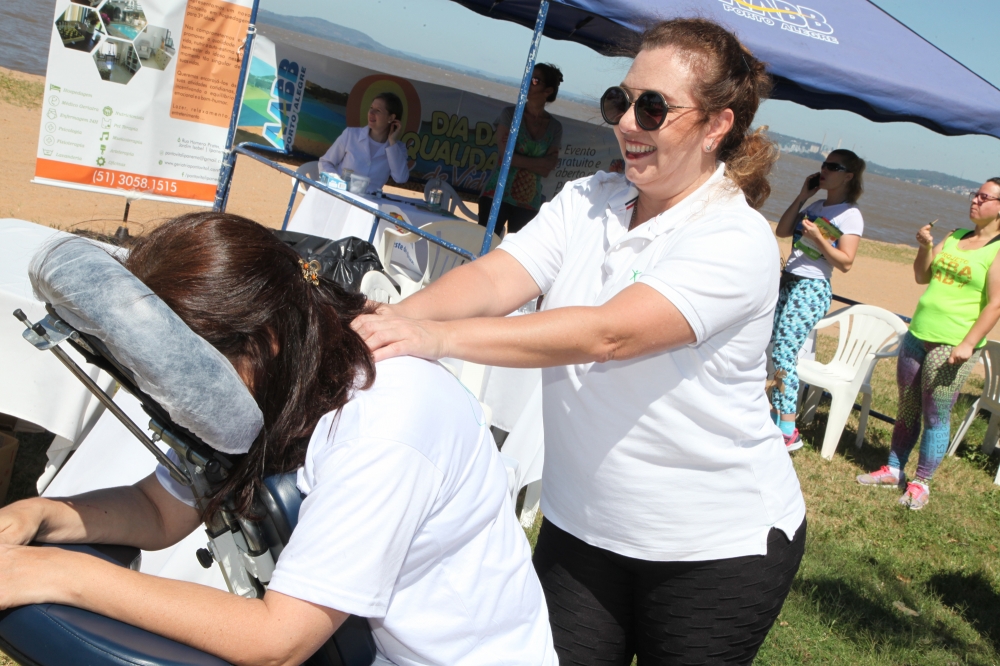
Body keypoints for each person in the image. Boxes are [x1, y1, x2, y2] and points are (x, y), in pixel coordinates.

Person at [353, 19, 806, 665]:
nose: (628, 123)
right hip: (582, 526)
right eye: (620, 101)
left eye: (654, 108)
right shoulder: (589, 199)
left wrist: (435, 337)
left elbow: (609, 334)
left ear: (716, 126)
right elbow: (495, 278)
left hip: (711, 547)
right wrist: (389, 326)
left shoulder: (734, 237)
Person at [0, 213, 557, 665]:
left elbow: (277, 641)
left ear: (264, 342)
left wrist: (62, 574)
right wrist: (38, 515)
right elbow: (158, 508)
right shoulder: (275, 378)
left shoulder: (385, 421)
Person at [858, 179, 1000, 510]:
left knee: (936, 414)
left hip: (952, 344)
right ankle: (894, 469)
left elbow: (995, 304)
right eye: (975, 195)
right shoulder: (955, 236)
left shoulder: (997, 249)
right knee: (907, 406)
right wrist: (925, 247)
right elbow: (923, 277)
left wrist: (968, 344)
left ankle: (921, 483)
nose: (975, 201)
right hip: (918, 334)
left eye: (984, 197)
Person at [771, 149, 867, 450]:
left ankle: (788, 429)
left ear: (848, 176)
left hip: (811, 288)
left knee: (784, 354)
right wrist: (802, 197)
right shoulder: (816, 206)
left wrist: (819, 239)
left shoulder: (850, 214)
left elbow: (846, 261)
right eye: (824, 164)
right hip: (790, 280)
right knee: (774, 349)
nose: (824, 170)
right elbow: (782, 230)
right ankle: (773, 418)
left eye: (833, 167)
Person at [478, 63, 563, 235]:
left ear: (548, 91)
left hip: (529, 202)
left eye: (534, 80)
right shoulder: (510, 115)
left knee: (517, 250)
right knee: (483, 246)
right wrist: (539, 163)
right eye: (527, 78)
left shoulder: (555, 127)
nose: (527, 83)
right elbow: (506, 158)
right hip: (496, 194)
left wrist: (516, 159)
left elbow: (548, 169)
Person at [319, 92, 410, 192]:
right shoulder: (351, 134)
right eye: (371, 108)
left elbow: (400, 178)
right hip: (340, 194)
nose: (371, 113)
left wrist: (392, 142)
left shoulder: (397, 148)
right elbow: (325, 162)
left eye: (378, 110)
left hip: (368, 200)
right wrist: (337, 183)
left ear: (391, 118)